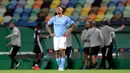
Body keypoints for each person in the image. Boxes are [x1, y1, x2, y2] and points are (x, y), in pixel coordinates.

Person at [46, 6, 76, 71]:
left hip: (62, 37)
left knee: (62, 51)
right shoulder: (53, 18)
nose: (58, 10)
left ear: (62, 10)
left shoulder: (66, 18)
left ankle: (61, 67)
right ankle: (59, 66)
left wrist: (68, 32)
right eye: (57, 9)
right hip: (55, 37)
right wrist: (51, 33)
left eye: (59, 9)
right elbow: (47, 25)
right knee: (57, 52)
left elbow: (74, 25)